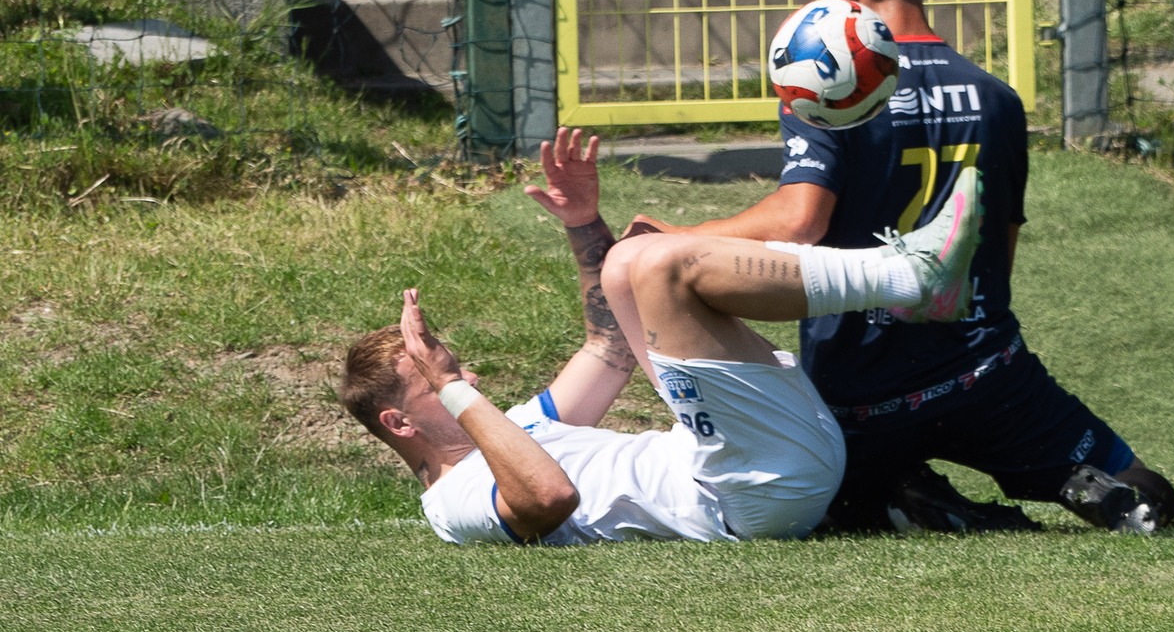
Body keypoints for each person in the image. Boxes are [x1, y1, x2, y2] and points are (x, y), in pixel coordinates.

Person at [624, 0, 1174, 535]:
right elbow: (999, 251)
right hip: (986, 368)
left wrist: (676, 239)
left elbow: (799, 219)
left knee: (844, 506)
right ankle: (1093, 488)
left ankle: (907, 499)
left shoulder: (833, 89)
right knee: (1144, 487)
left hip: (862, 387)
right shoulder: (996, 99)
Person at [338, 127, 982, 545]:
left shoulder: (518, 427)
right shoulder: (451, 504)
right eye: (431, 379)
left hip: (747, 463)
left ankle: (906, 279)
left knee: (627, 264)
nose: (468, 376)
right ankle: (906, 279)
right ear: (399, 423)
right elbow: (547, 498)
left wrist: (583, 223)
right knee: (659, 265)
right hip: (745, 494)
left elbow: (609, 345)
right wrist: (452, 385)